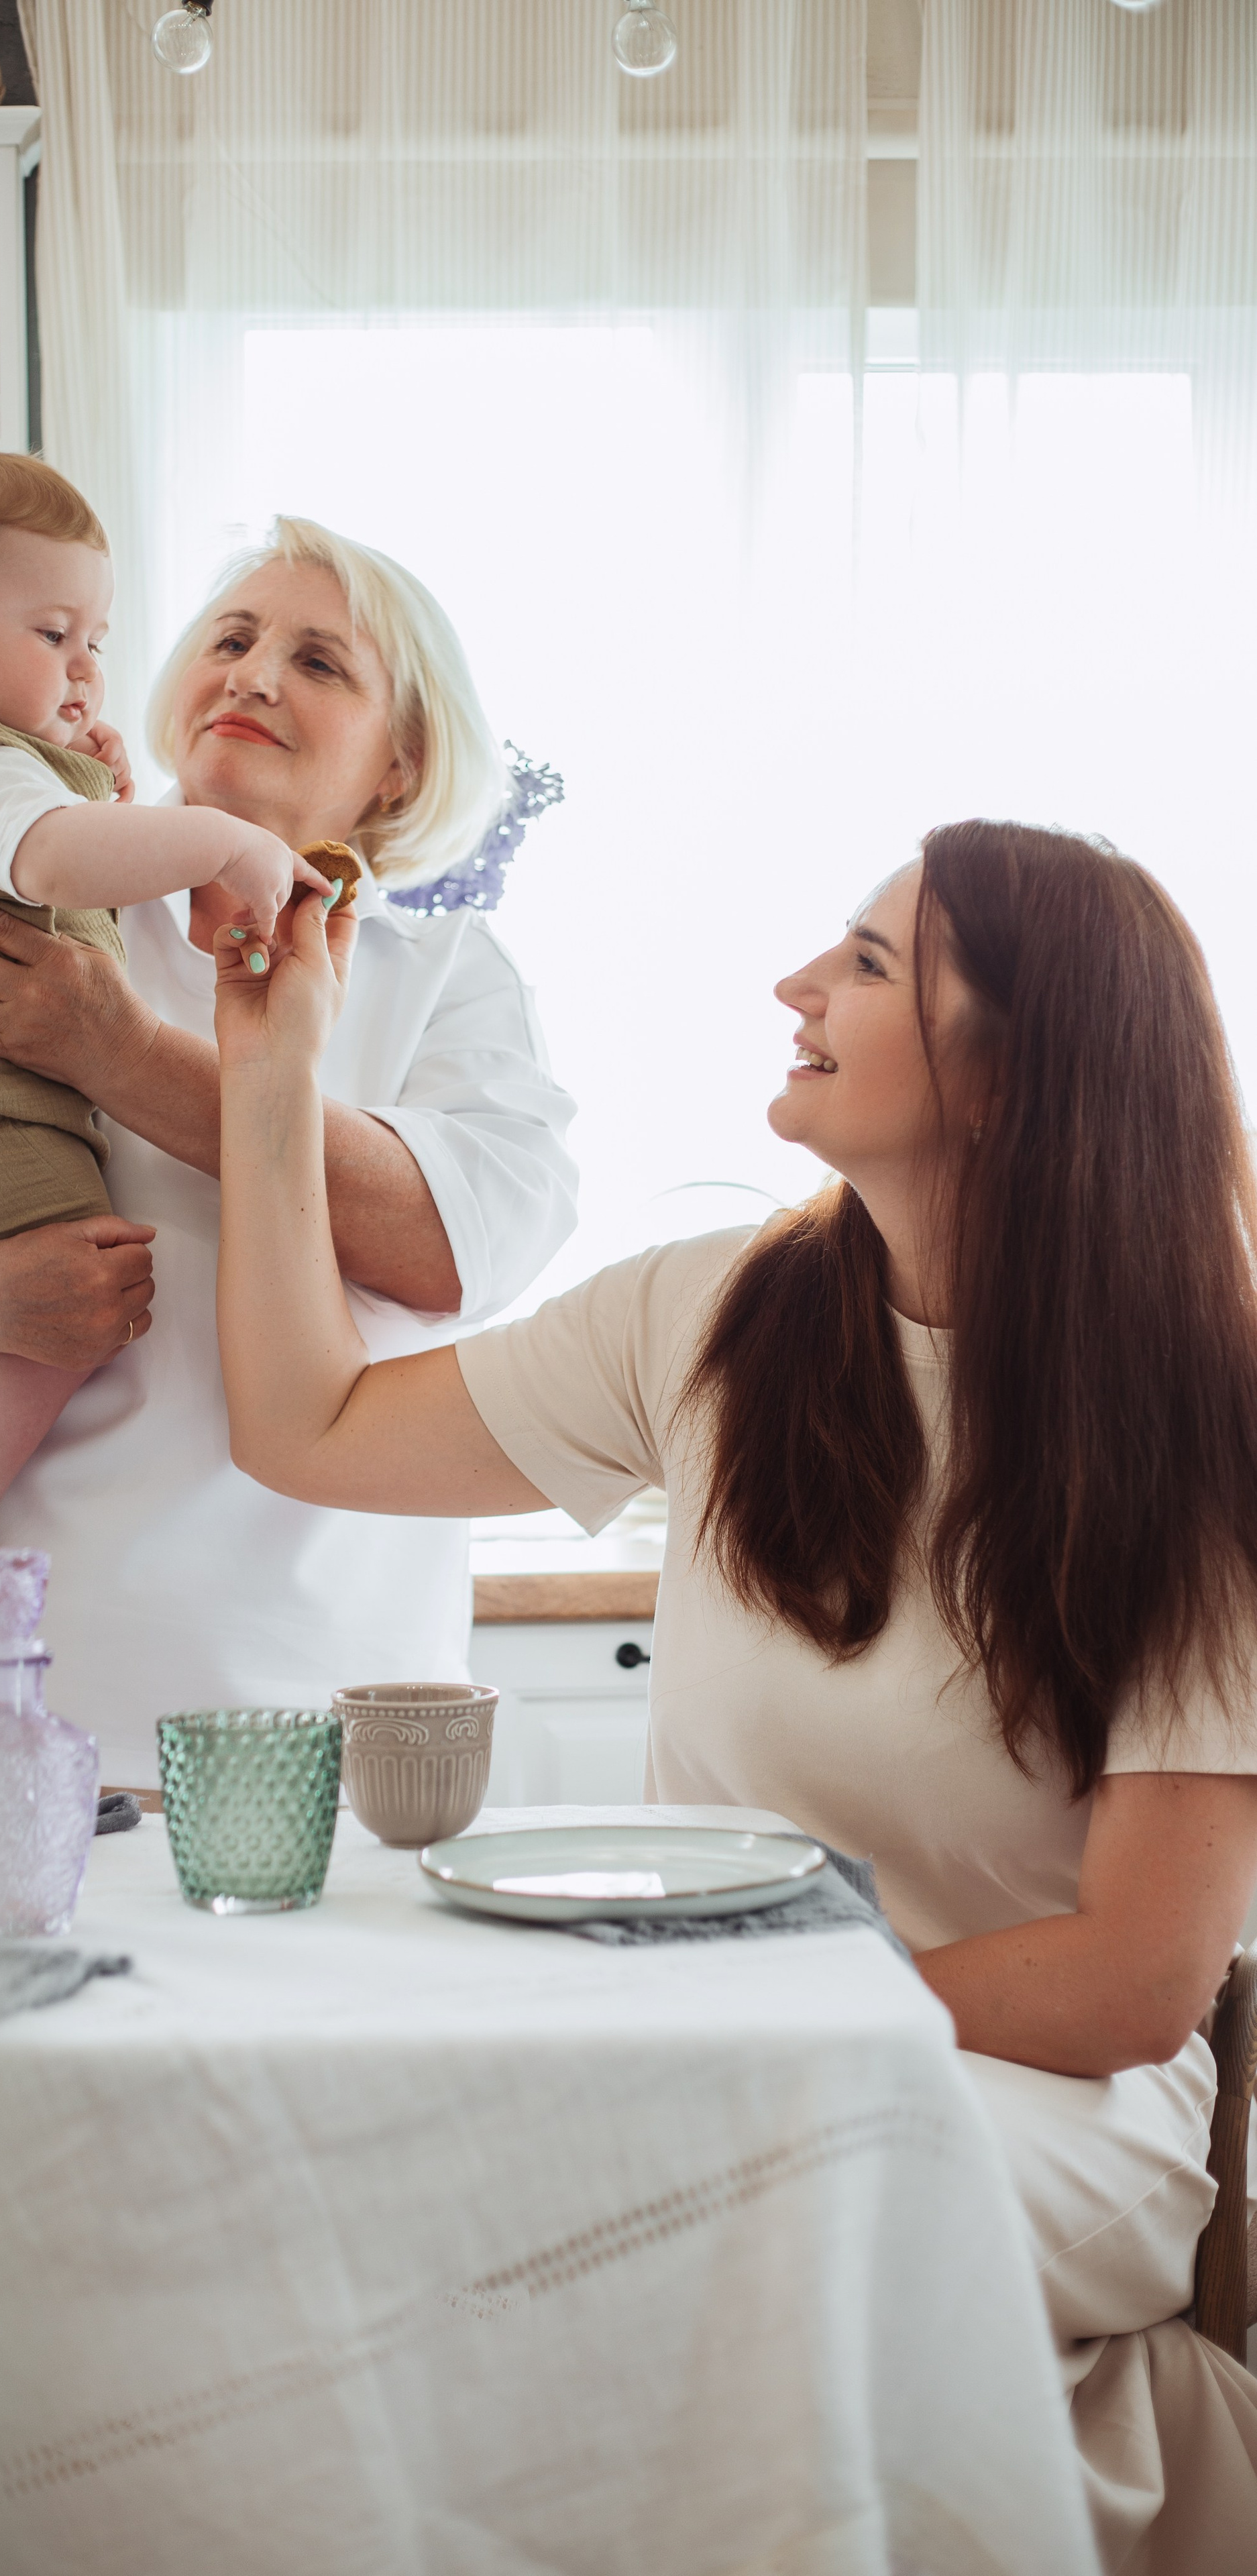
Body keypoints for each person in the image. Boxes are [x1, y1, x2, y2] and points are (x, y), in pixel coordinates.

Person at [210, 820, 1257, 2569]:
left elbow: (1137, 1983)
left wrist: (760, 2027)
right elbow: (303, 1427)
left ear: (1017, 1064)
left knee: (732, 2210)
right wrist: (271, 1072)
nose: (796, 987)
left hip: (1037, 2092)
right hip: (721, 2047)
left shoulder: (1202, 1426)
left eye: (865, 963)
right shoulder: (710, 1314)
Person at [0, 517, 578, 1778]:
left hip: (319, 1693)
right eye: (232, 639)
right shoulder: (21, 910)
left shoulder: (444, 978)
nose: (252, 674)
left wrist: (114, 1052)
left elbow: (452, 1249)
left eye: (321, 663)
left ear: (401, 767)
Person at [0, 453, 334, 1582]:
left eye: (98, 642)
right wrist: (222, 843)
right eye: (56, 636)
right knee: (76, 1296)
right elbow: (55, 856)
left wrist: (91, 784)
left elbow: (61, 840)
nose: (86, 668)